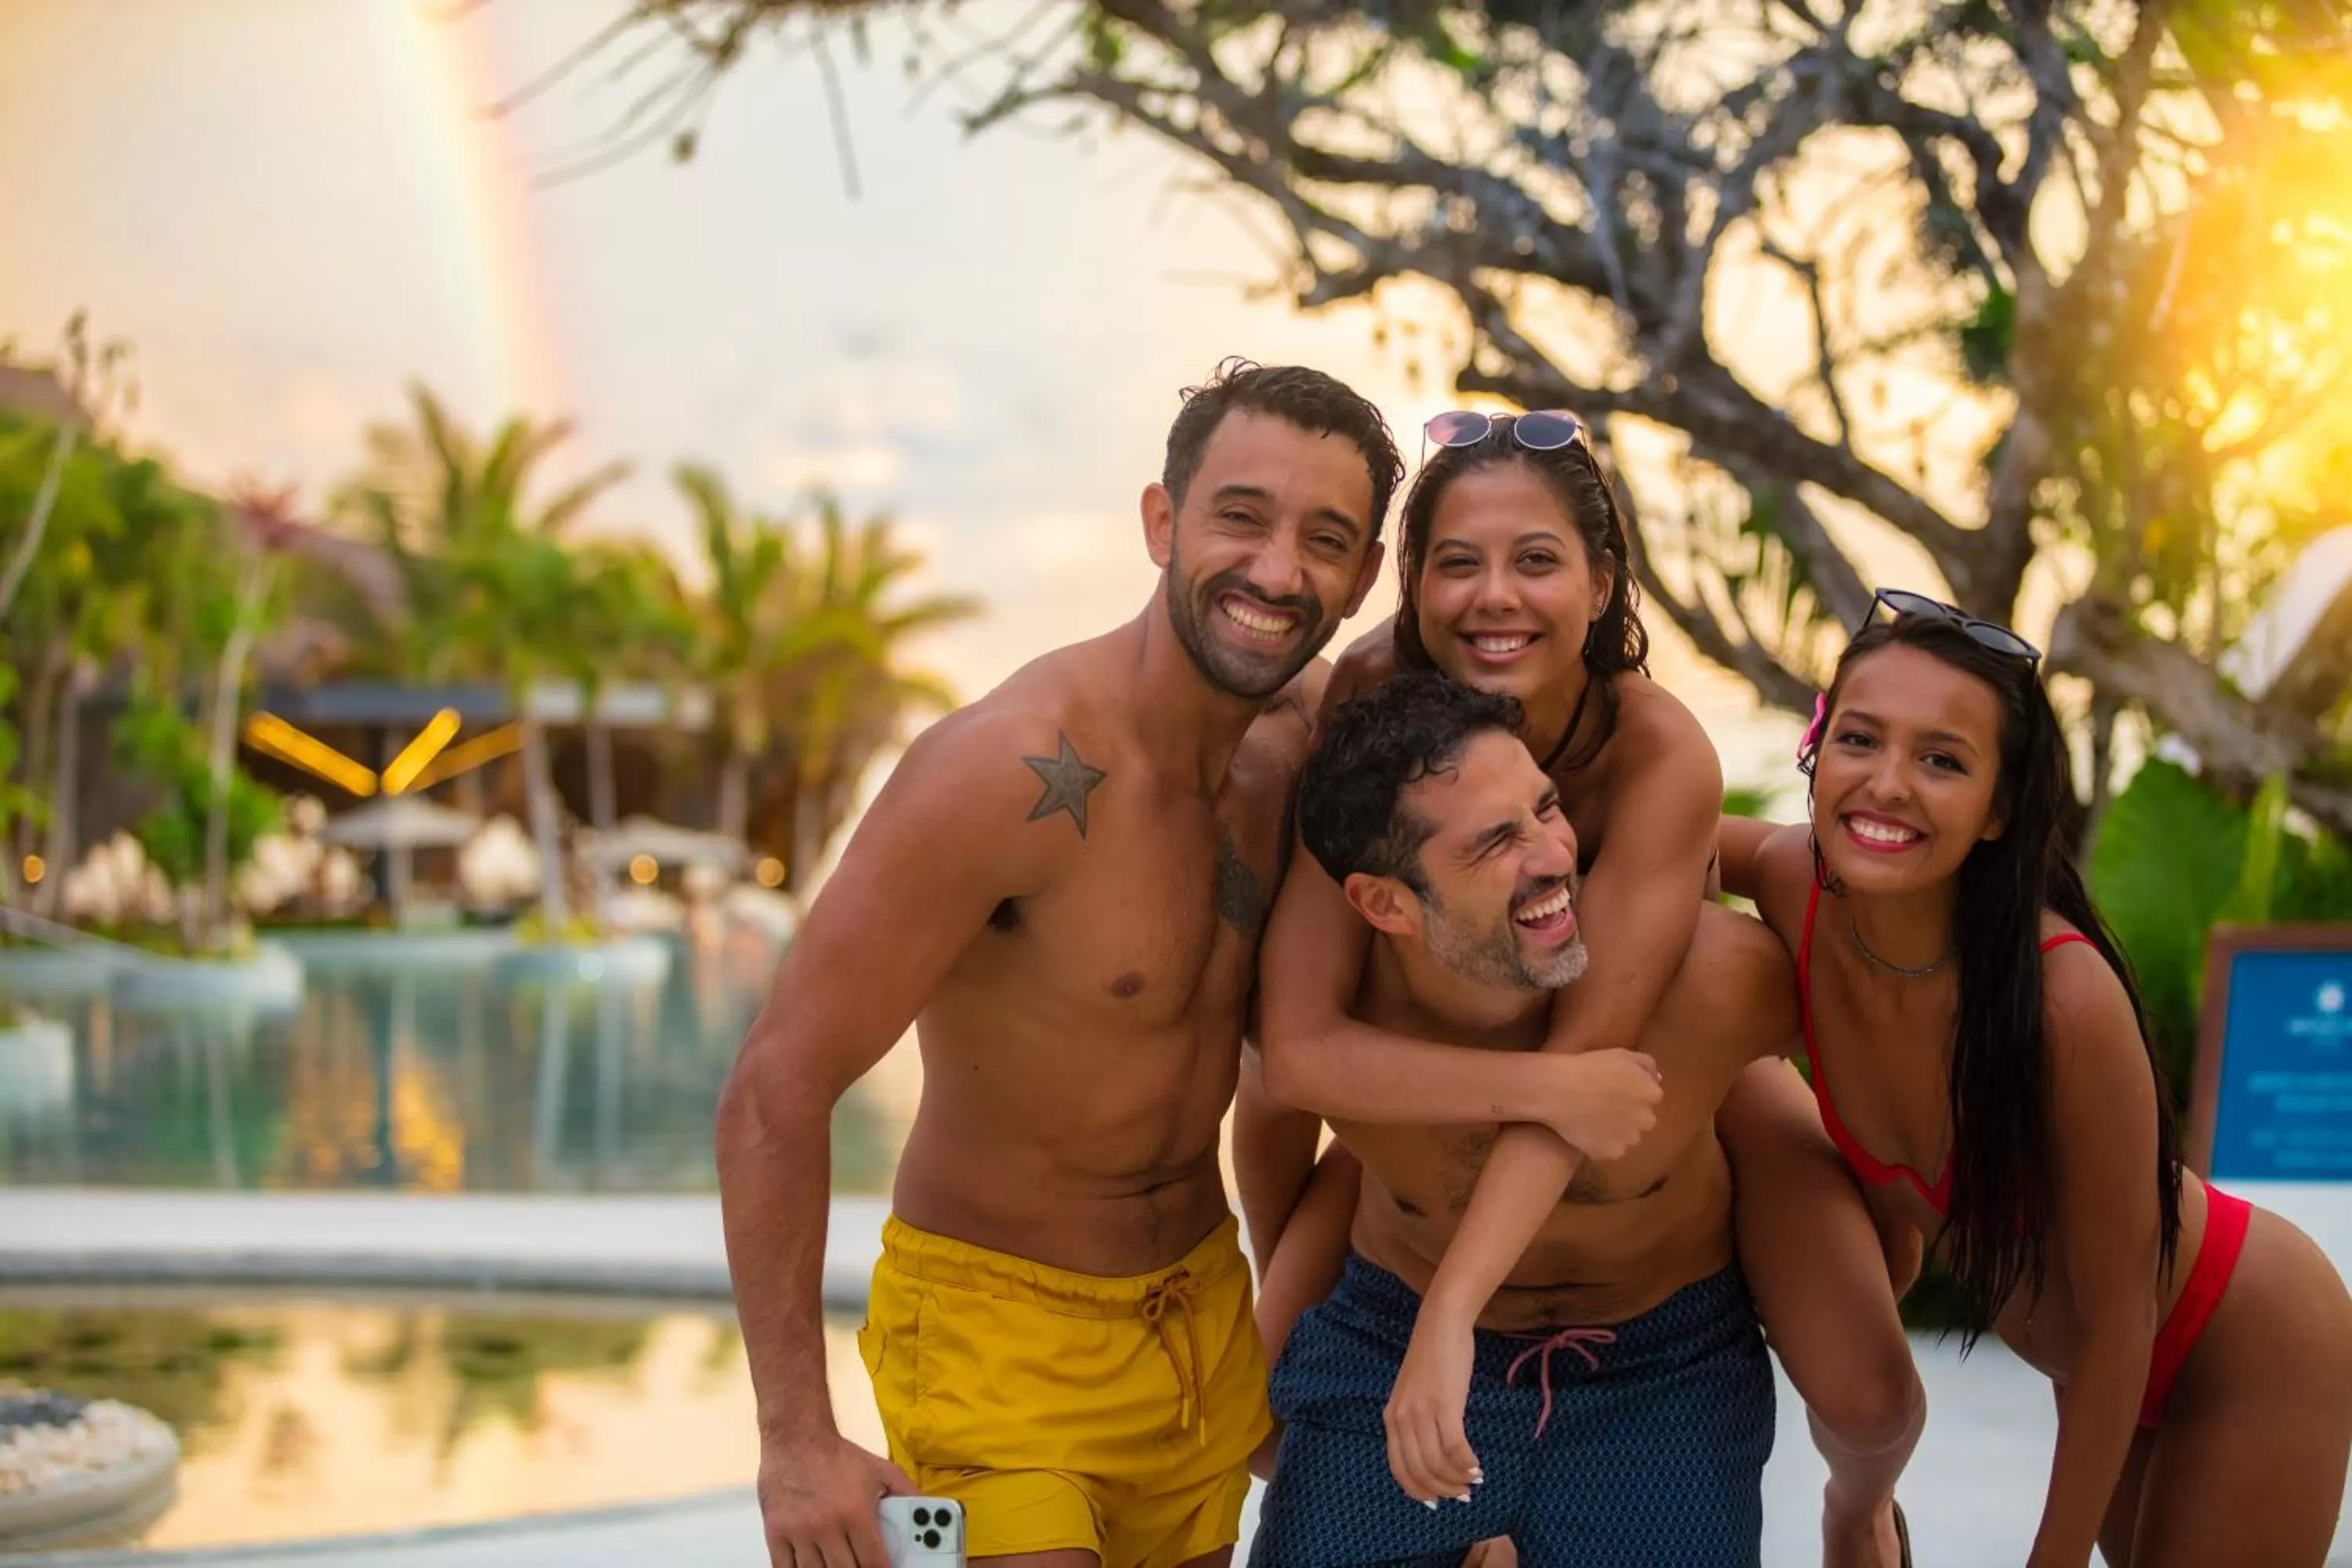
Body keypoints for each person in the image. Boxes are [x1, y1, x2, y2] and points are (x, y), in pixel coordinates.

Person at [711, 360, 1660, 1568]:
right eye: (1240, 517)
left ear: (1367, 574)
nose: (1277, 571)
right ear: (1162, 522)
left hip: (1197, 1324)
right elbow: (774, 1088)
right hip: (996, 1337)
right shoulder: (1004, 772)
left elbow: (1518, 862)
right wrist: (794, 1440)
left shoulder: (1312, 757)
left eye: (1325, 539)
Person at [1237, 410, 1922, 1567]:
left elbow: (1599, 1060)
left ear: (1604, 581)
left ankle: (1860, 1509)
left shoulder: (1662, 755)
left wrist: (1449, 1313)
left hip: (1657, 1046)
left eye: (1537, 560)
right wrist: (1352, 1230)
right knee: (1260, 1414)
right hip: (1479, 1046)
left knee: (1870, 1399)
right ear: (1412, 587)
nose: (1494, 596)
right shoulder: (1369, 703)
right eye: (1457, 562)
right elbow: (1291, 1057)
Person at [1722, 591, 2352, 1567]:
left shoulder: (2063, 999)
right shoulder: (1789, 882)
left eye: (1942, 759)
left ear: (1998, 809)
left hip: (2239, 1342)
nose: (1886, 783)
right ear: (1816, 749)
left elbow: (2116, 1325)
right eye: (1859, 739)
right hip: (2095, 1367)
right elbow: (1613, 830)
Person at [1246, 670, 1798, 1566]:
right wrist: (1295, 1323)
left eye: (1547, 808)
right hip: (1393, 1335)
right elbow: (1271, 1113)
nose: (1551, 855)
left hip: (1662, 1365)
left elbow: (1888, 1087)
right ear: (1385, 903)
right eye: (1496, 841)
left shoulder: (1716, 980)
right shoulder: (1347, 1030)